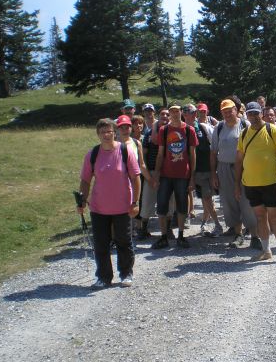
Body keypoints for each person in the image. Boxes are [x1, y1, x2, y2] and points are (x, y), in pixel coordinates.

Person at [78, 118, 141, 289]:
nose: (106, 135)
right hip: (99, 208)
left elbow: (136, 178)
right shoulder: (92, 154)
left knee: (124, 241)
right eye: (102, 132)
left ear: (115, 132)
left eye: (109, 131)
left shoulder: (125, 150)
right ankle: (104, 277)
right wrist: (82, 200)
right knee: (101, 243)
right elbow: (85, 180)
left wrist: (135, 202)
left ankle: (126, 274)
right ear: (98, 134)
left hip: (123, 207)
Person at [235, 101, 276, 266]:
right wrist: (237, 185)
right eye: (250, 113)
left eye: (255, 113)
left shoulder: (272, 130)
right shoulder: (244, 133)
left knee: (275, 217)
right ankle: (266, 251)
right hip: (251, 183)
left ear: (261, 113)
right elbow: (239, 160)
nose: (252, 116)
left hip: (271, 182)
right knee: (260, 217)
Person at [210, 99, 259, 248]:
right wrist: (214, 174)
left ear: (236, 110)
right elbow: (213, 152)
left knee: (247, 201)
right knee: (230, 201)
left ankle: (255, 236)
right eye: (224, 112)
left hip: (245, 168)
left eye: (230, 111)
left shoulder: (246, 125)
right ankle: (238, 235)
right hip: (224, 168)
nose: (227, 114)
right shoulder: (219, 128)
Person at [151, 103, 198, 249]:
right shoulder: (164, 130)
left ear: (181, 113)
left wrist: (192, 177)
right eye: (172, 111)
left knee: (182, 206)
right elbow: (160, 154)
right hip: (166, 174)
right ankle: (164, 236)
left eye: (178, 111)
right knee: (162, 205)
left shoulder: (189, 130)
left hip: (183, 174)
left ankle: (181, 236)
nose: (175, 113)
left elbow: (192, 155)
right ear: (169, 114)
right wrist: (157, 174)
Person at [182, 103, 224, 237]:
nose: (193, 114)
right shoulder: (181, 130)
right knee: (207, 198)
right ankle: (206, 223)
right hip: (190, 171)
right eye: (189, 112)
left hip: (206, 169)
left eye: (194, 112)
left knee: (207, 198)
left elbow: (214, 146)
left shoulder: (203, 127)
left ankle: (216, 225)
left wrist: (215, 169)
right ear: (184, 114)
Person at [138, 108, 168, 239]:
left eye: (167, 115)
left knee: (169, 200)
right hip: (151, 170)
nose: (165, 116)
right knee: (147, 200)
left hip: (168, 172)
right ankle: (143, 228)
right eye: (162, 114)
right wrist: (148, 176)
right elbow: (143, 155)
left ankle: (169, 229)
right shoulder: (149, 133)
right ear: (158, 116)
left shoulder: (175, 132)